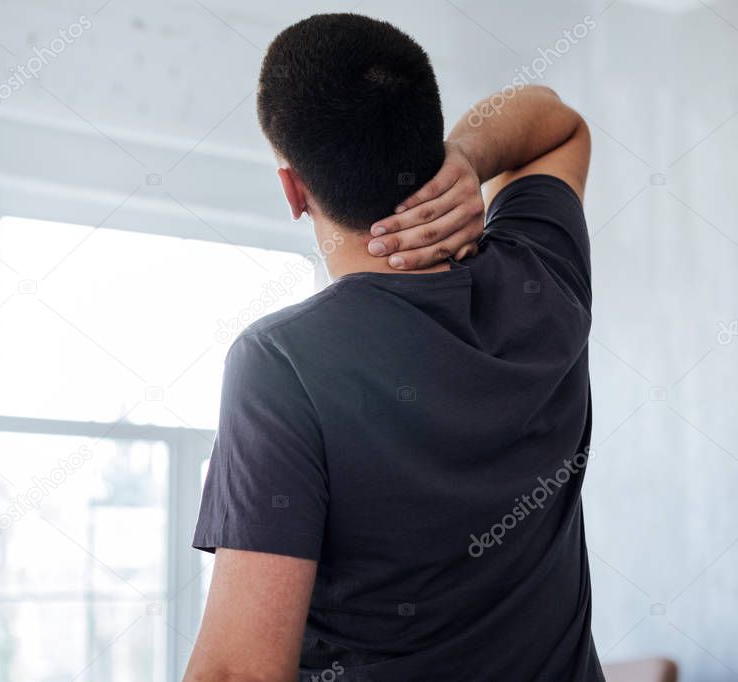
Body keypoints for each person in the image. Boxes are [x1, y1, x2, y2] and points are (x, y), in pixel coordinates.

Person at [184, 13, 600, 682]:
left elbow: (239, 671)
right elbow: (552, 120)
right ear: (426, 144)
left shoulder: (281, 361)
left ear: (293, 190)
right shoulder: (539, 281)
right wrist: (466, 155)